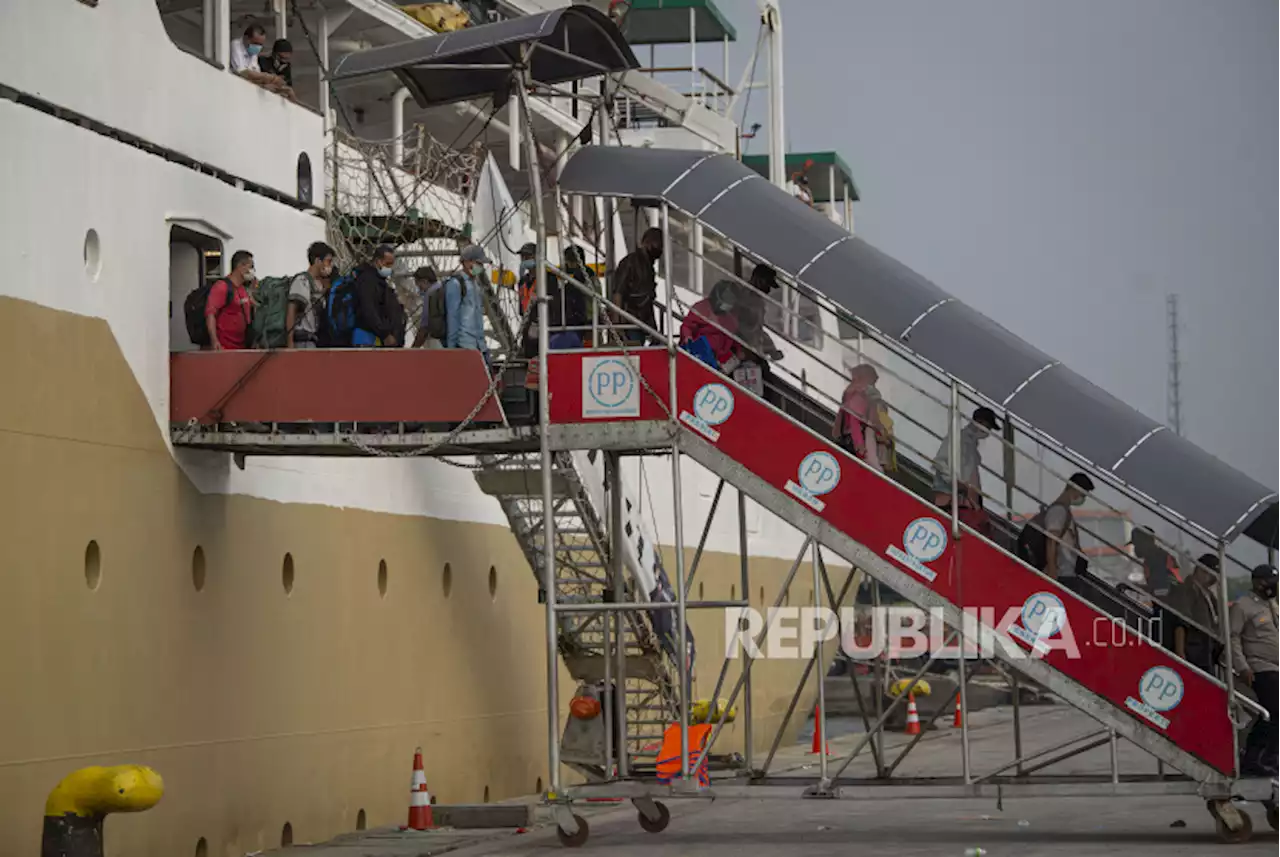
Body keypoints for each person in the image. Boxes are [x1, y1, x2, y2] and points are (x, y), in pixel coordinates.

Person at [1230, 564, 1280, 776]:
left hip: (1276, 666)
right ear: (1257, 581)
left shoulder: (1272, 605)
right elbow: (1233, 638)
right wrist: (1242, 666)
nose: (1272, 586)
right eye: (1269, 581)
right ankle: (1253, 757)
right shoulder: (1243, 606)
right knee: (1272, 711)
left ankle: (1271, 757)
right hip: (1259, 667)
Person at [1018, 473, 1095, 587]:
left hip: (1065, 571)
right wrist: (1052, 569)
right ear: (1074, 489)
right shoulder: (1058, 511)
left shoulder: (1063, 511)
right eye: (1083, 494)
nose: (1083, 498)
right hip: (1062, 573)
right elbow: (1051, 540)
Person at [932, 406, 999, 512]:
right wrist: (955, 482)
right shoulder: (959, 438)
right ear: (979, 422)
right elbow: (940, 462)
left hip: (961, 497)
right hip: (949, 495)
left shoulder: (971, 444)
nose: (988, 432)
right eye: (988, 427)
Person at [1169, 553, 1222, 674]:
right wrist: (1180, 653)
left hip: (1206, 650)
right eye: (1209, 573)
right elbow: (1181, 622)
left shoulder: (1208, 594)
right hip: (1193, 650)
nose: (1212, 578)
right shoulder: (1188, 589)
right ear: (1200, 570)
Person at [832, 364, 887, 474]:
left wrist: (836, 432)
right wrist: (859, 445)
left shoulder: (850, 392)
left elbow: (843, 416)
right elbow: (854, 420)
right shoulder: (859, 394)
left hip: (846, 436)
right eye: (873, 381)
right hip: (854, 440)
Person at [611, 227, 662, 343]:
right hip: (630, 320)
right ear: (646, 242)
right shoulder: (629, 262)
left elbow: (649, 298)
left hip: (643, 320)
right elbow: (618, 293)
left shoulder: (649, 266)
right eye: (657, 243)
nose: (660, 248)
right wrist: (617, 324)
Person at [680, 280, 743, 371]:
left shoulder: (731, 316)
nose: (728, 304)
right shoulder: (701, 308)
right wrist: (688, 337)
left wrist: (738, 353)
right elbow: (687, 326)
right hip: (699, 354)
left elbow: (735, 338)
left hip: (722, 360)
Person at [445, 244, 491, 365]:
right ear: (466, 262)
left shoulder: (475, 284)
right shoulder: (455, 284)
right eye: (478, 263)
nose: (480, 267)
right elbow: (453, 316)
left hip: (479, 344)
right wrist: (451, 349)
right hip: (464, 344)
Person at [204, 250, 255, 351]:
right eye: (251, 266)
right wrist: (214, 341)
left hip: (242, 346)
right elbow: (210, 314)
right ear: (241, 266)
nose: (252, 270)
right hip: (225, 346)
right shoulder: (222, 287)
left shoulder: (243, 289)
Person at [351, 245, 402, 347]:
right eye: (387, 264)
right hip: (367, 337)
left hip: (376, 337)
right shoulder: (367, 281)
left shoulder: (379, 282)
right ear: (378, 261)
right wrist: (384, 334)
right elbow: (369, 309)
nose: (390, 268)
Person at [286, 242, 335, 348]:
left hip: (314, 340)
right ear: (318, 261)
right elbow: (292, 311)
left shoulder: (320, 284)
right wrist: (290, 344)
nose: (330, 265)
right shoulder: (302, 281)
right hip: (302, 341)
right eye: (328, 261)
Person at [229, 24, 290, 95]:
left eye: (260, 45)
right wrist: (269, 77)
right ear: (246, 38)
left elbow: (255, 73)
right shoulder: (235, 46)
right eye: (256, 43)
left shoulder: (253, 53)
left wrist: (264, 85)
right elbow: (242, 72)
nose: (258, 47)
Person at [1128, 526, 1181, 598]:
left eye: (1137, 544)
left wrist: (1134, 587)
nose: (1135, 549)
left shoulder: (1159, 559)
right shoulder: (1151, 559)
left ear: (1148, 542)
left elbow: (1162, 591)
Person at [411, 267, 443, 348]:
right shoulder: (443, 288)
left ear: (424, 281)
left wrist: (413, 349)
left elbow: (424, 325)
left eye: (419, 286)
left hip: (437, 339)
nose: (419, 289)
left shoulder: (430, 294)